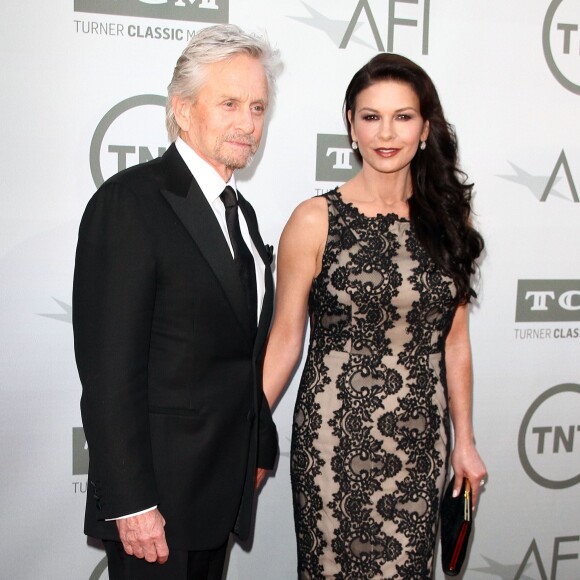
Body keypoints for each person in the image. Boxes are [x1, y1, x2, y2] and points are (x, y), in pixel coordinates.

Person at [262, 53, 487, 578]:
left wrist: (466, 441)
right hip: (333, 442)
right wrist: (242, 430)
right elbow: (285, 340)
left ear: (426, 127)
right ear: (351, 123)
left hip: (421, 441)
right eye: (371, 116)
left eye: (403, 117)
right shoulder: (315, 220)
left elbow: (454, 342)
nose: (387, 132)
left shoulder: (450, 219)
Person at [73, 24, 281, 580]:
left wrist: (258, 442)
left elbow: (242, 350)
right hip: (156, 505)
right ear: (183, 109)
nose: (248, 122)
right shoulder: (130, 202)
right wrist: (131, 502)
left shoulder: (240, 212)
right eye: (230, 103)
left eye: (258, 107)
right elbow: (108, 371)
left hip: (218, 494)